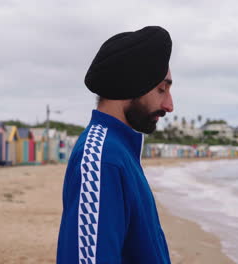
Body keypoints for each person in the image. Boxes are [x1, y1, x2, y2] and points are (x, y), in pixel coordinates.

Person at [56, 25, 174, 263]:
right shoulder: (102, 159)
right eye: (161, 89)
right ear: (132, 85)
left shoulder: (119, 151)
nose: (169, 105)